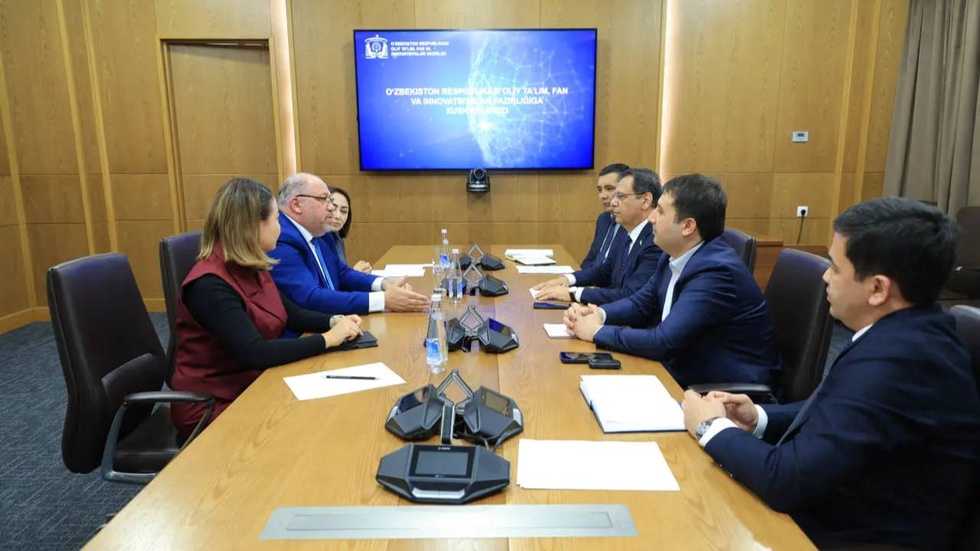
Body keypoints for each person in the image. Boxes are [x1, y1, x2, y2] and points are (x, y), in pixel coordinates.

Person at [682, 197, 980, 550]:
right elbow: (840, 408)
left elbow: (785, 480)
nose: (825, 276)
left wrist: (709, 427)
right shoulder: (909, 332)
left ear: (878, 289)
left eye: (835, 268)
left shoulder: (902, 362)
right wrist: (759, 417)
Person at [170, 178, 363, 440]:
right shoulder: (209, 284)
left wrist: (335, 321)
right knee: (316, 429)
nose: (280, 229)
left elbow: (291, 313)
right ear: (253, 225)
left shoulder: (251, 265)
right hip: (214, 406)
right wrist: (328, 339)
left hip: (254, 384)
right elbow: (255, 352)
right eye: (276, 220)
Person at [564, 174, 779, 387]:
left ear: (687, 226)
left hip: (721, 390)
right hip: (677, 370)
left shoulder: (715, 272)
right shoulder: (673, 253)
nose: (651, 218)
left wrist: (596, 331)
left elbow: (663, 341)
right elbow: (641, 303)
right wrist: (598, 314)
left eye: (660, 211)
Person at [269, 173, 430, 317]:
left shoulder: (318, 232)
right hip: (306, 333)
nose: (331, 207)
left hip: (337, 321)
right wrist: (384, 300)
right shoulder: (281, 240)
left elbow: (342, 273)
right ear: (296, 205)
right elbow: (311, 298)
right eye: (324, 199)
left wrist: (384, 283)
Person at [532, 168, 663, 305]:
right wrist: (568, 279)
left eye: (620, 196)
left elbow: (631, 295)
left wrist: (574, 293)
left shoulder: (656, 241)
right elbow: (606, 271)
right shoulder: (626, 231)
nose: (613, 202)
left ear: (645, 200)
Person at [580, 163, 631, 269]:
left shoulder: (631, 222)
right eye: (600, 190)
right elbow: (590, 259)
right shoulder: (603, 219)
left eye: (609, 188)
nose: (603, 196)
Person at [326, 186, 372, 273]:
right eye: (333, 209)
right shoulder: (315, 241)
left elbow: (340, 274)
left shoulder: (338, 238)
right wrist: (354, 273)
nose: (338, 216)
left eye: (343, 211)